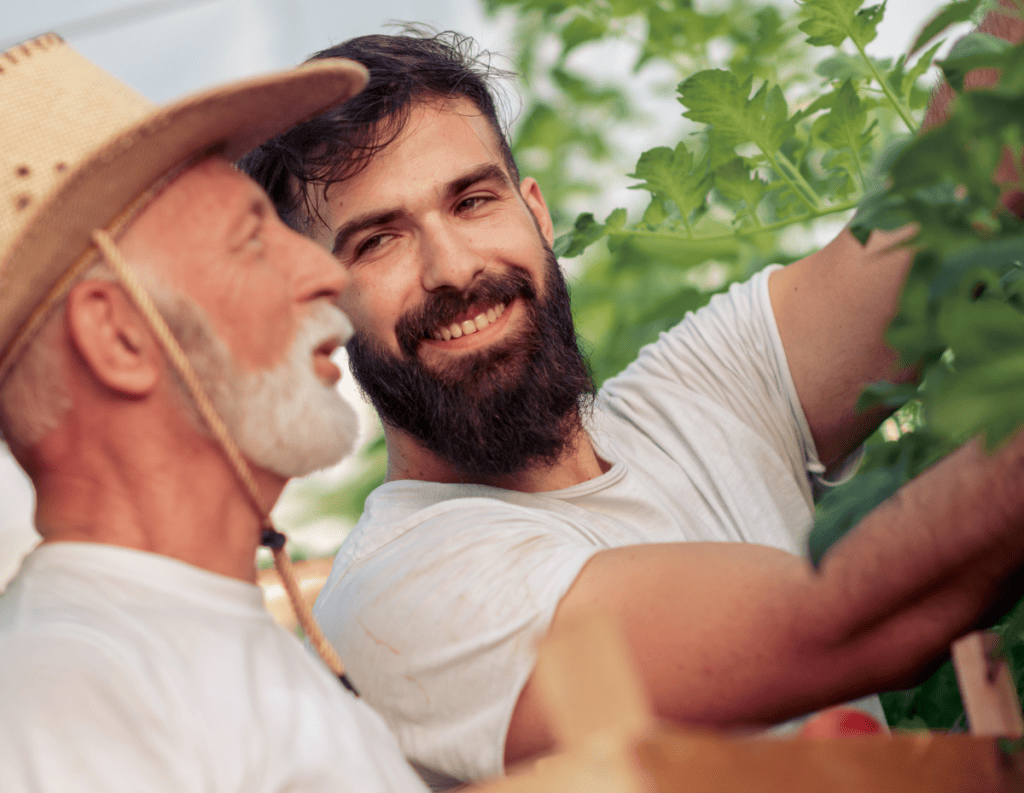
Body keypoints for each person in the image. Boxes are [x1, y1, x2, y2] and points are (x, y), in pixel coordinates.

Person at [241, 11, 1024, 789]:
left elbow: (954, 200)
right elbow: (852, 621)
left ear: (536, 211)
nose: (452, 267)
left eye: (472, 200)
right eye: (377, 241)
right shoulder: (399, 604)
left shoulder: (694, 400)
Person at [0, 35, 429, 793]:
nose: (326, 271)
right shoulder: (70, 693)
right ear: (118, 337)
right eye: (252, 243)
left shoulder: (178, 646)